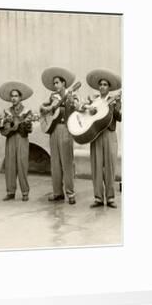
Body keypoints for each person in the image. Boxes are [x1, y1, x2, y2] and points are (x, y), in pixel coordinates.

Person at [39, 67, 81, 205]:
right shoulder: (52, 96)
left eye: (57, 82)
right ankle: (57, 192)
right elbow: (44, 109)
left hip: (66, 129)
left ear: (64, 83)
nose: (55, 85)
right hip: (53, 130)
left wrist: (71, 102)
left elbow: (77, 108)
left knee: (67, 163)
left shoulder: (71, 94)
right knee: (55, 163)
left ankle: (71, 193)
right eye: (54, 83)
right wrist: (46, 108)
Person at [83, 69, 122, 209]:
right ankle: (98, 197)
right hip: (96, 135)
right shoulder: (95, 101)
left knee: (110, 166)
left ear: (109, 87)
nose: (102, 87)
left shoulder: (115, 100)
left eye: (105, 84)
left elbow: (120, 117)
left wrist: (113, 107)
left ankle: (110, 198)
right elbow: (88, 117)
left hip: (110, 134)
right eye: (101, 84)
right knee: (97, 166)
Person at [0, 81, 35, 202]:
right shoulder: (6, 111)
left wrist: (28, 123)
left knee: (22, 165)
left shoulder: (27, 111)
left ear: (20, 97)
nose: (13, 98)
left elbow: (29, 129)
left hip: (22, 139)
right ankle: (10, 192)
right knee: (10, 165)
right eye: (12, 96)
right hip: (10, 139)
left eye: (16, 96)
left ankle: (25, 192)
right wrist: (4, 122)